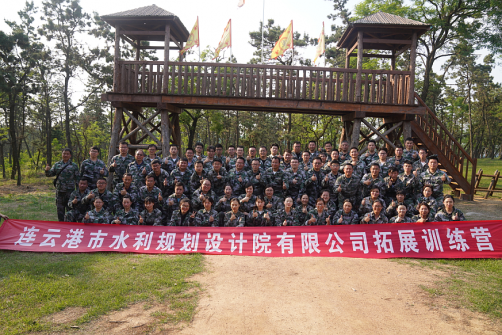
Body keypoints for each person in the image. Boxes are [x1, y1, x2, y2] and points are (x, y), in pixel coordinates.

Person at [45, 148, 80, 221]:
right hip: (60, 191)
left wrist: (78, 191)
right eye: (64, 153)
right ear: (62, 154)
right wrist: (47, 170)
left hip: (70, 191)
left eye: (67, 154)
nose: (65, 155)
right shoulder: (57, 164)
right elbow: (50, 174)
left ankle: (71, 226)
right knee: (60, 210)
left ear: (70, 155)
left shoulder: (74, 165)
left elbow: (77, 179)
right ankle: (61, 226)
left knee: (70, 209)